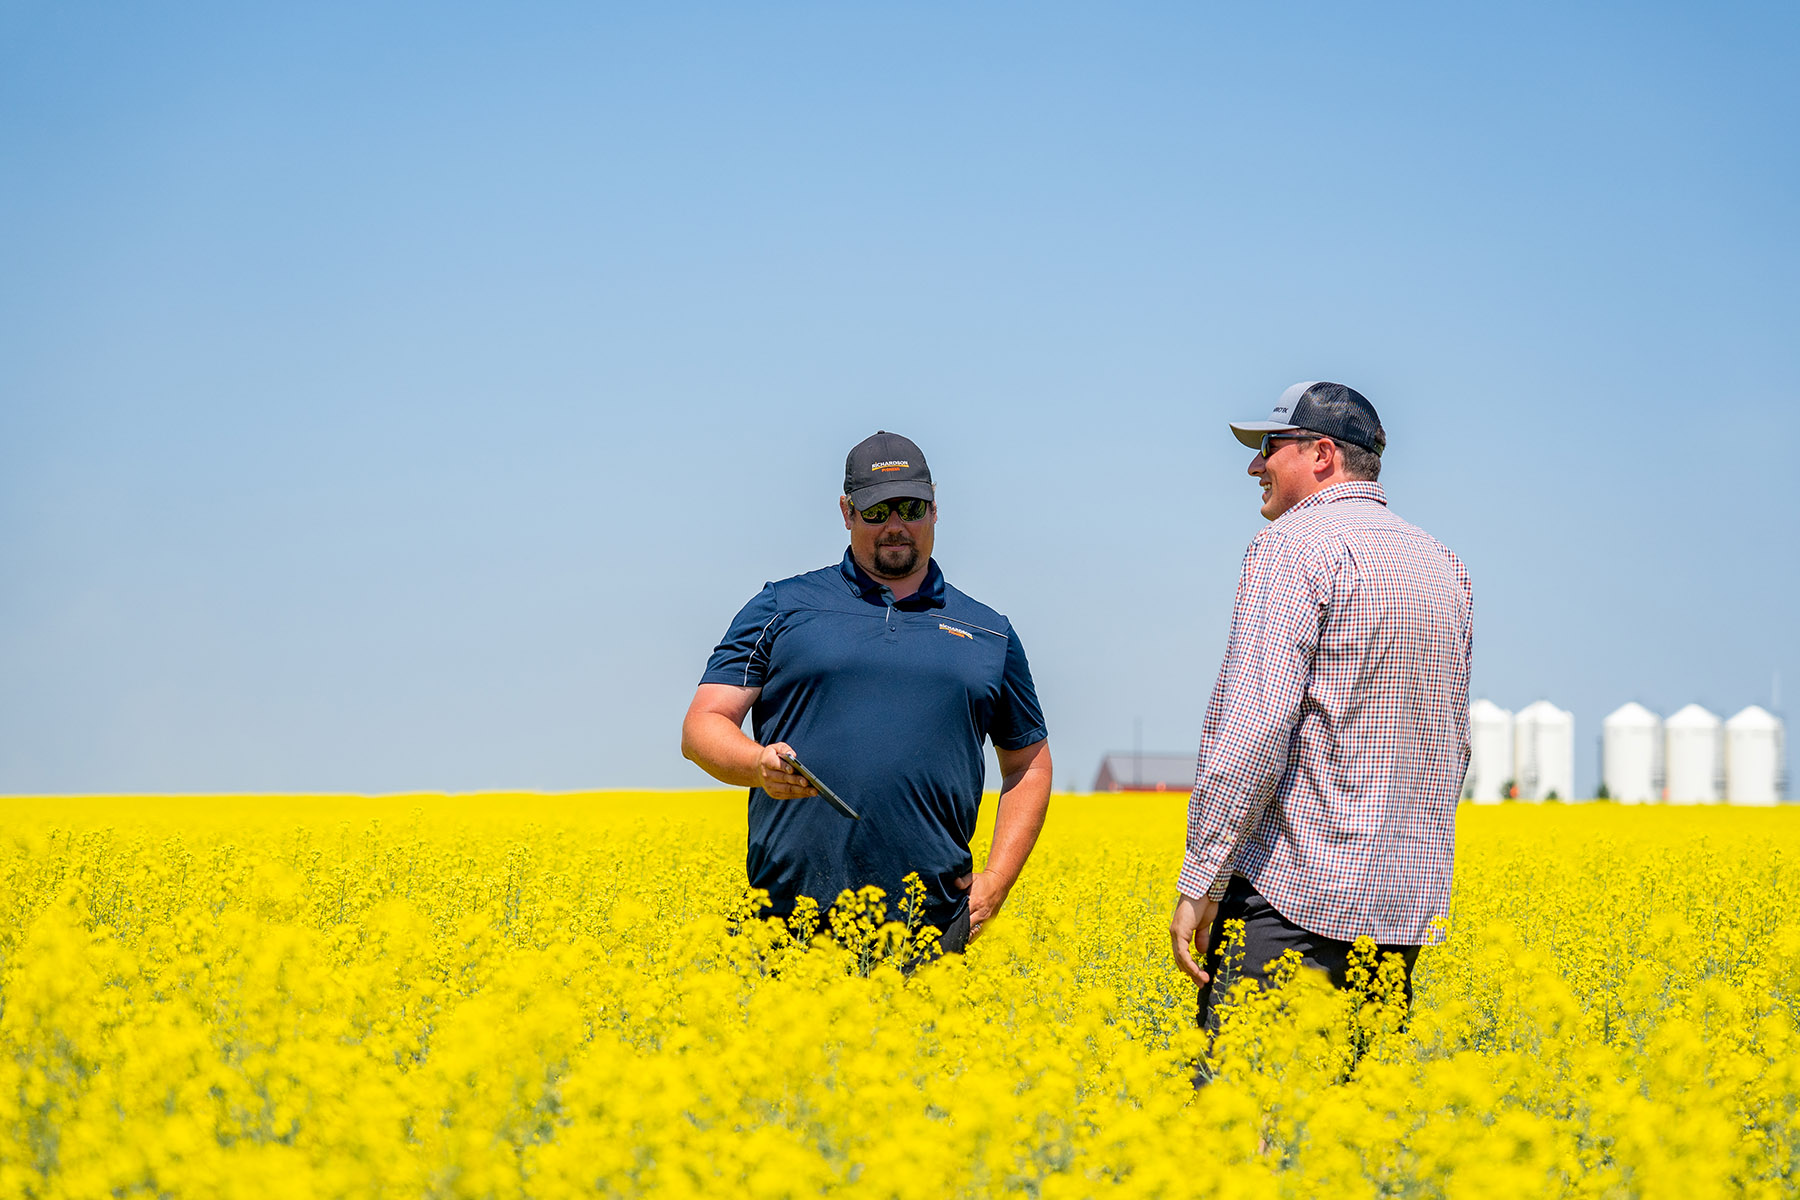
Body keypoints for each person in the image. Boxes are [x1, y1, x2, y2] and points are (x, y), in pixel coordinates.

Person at [1168, 382, 1472, 1030]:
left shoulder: (1295, 546)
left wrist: (1203, 881)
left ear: (1323, 455)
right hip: (1400, 917)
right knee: (1348, 1123)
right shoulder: (1444, 567)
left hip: (1295, 902)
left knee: (1233, 1118)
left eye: (1270, 447)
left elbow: (1253, 730)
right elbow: (1454, 746)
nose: (1255, 466)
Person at [682, 430, 1053, 951]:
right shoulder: (782, 607)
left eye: (911, 507)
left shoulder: (989, 633)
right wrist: (756, 764)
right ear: (847, 511)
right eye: (878, 511)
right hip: (790, 922)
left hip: (933, 930)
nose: (896, 525)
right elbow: (703, 725)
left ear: (935, 508)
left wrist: (996, 883)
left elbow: (1029, 764)